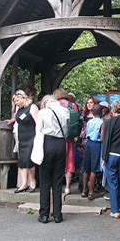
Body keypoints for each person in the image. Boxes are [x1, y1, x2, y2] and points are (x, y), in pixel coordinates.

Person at [36, 95, 69, 223]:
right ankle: (57, 215)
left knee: (45, 180)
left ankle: (44, 214)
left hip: (47, 143)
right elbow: (66, 130)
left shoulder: (43, 112)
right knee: (57, 180)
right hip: (61, 144)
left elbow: (38, 130)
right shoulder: (64, 111)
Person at [53, 88, 80, 195]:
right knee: (69, 161)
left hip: (56, 138)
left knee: (56, 162)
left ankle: (56, 186)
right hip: (69, 138)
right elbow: (77, 122)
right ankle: (68, 187)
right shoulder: (72, 105)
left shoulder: (53, 105)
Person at [13, 90, 39, 193]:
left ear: (24, 98)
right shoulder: (18, 109)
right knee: (22, 160)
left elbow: (38, 122)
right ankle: (24, 183)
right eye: (15, 101)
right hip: (21, 137)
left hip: (31, 136)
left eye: (17, 100)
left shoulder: (32, 107)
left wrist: (38, 137)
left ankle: (32, 181)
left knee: (29, 159)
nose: (16, 102)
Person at [81, 104, 103, 200]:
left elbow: (85, 133)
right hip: (97, 145)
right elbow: (102, 138)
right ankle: (91, 192)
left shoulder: (89, 122)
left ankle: (84, 190)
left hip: (88, 144)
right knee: (94, 169)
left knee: (86, 168)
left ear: (93, 112)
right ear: (101, 112)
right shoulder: (102, 123)